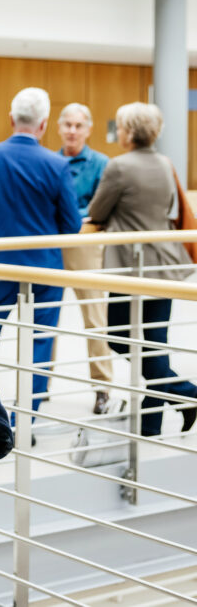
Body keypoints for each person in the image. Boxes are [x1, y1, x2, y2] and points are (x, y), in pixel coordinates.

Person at [0, 87, 81, 421]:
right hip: (45, 270)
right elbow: (71, 224)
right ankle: (28, 418)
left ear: (11, 120)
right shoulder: (57, 164)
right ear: (43, 125)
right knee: (40, 344)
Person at [88, 102, 197, 436]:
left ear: (130, 131)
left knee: (120, 339)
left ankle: (189, 394)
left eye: (120, 127)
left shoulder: (118, 166)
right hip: (164, 264)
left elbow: (98, 211)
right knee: (154, 344)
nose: (118, 133)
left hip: (130, 269)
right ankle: (151, 424)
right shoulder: (165, 163)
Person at [56, 103, 114, 413]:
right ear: (58, 127)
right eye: (67, 124)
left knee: (95, 318)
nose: (72, 131)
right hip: (51, 244)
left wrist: (69, 217)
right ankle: (41, 385)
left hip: (87, 245)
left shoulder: (102, 163)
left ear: (88, 129)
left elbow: (100, 209)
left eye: (78, 125)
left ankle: (102, 387)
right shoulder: (50, 161)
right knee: (45, 316)